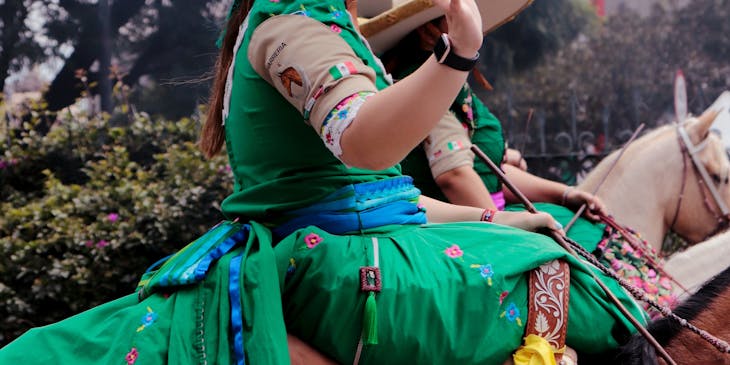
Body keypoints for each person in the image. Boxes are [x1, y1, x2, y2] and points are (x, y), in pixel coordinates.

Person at [0, 0, 647, 364]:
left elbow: (383, 197)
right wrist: (458, 56)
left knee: (552, 259)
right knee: (557, 282)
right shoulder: (296, 23)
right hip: (332, 263)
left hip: (350, 242)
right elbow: (365, 144)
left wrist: (501, 220)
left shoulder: (321, 26)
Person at [383, 16, 678, 312]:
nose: (475, 19)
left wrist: (565, 193)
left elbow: (490, 170)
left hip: (487, 218)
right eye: (457, 13)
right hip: (464, 234)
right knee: (596, 285)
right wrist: (510, 232)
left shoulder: (448, 79)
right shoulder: (424, 81)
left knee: (601, 241)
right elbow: (455, 175)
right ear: (428, 28)